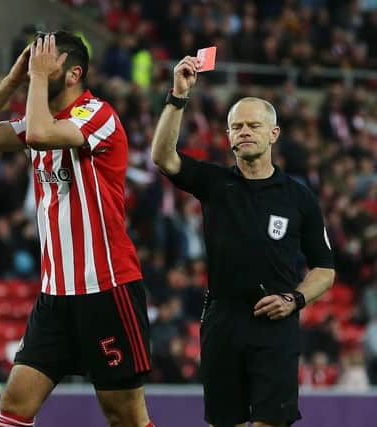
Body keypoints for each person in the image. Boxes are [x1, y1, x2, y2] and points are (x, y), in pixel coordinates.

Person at [0, 31, 155, 427]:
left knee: (125, 416)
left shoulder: (96, 114)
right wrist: (13, 80)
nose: (36, 70)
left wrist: (37, 81)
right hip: (55, 295)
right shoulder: (39, 119)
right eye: (33, 63)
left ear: (73, 72)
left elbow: (43, 136)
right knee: (15, 402)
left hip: (106, 288)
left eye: (47, 62)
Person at [150, 56, 336, 427]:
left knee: (271, 422)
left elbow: (325, 268)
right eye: (236, 126)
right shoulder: (215, 183)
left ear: (274, 134)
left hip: (276, 322)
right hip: (222, 319)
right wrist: (178, 96)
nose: (245, 131)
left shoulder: (299, 198)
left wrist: (294, 299)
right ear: (229, 136)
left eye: (254, 125)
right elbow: (163, 157)